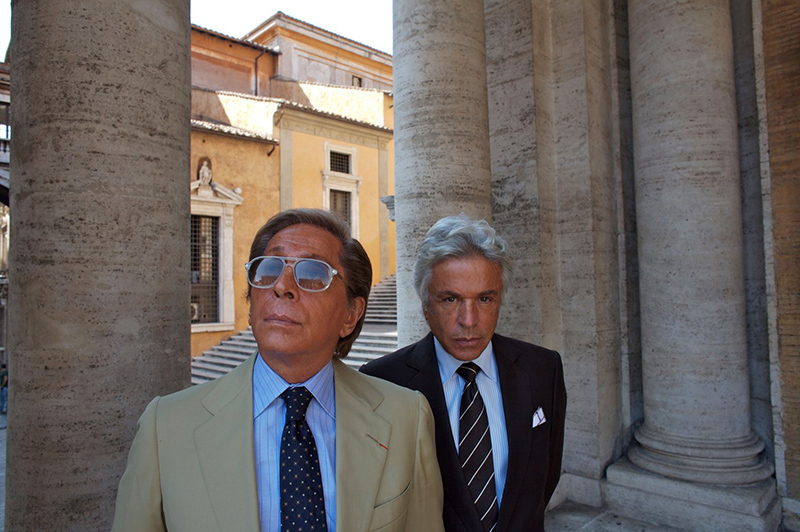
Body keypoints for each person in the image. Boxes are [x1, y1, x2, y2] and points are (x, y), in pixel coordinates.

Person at [113, 208, 445, 532]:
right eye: (269, 269)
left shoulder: (406, 418)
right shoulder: (166, 427)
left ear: (350, 314)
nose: (282, 285)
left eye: (312, 273)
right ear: (251, 300)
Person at [362, 214, 566, 532]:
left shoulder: (543, 369)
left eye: (485, 299)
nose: (469, 320)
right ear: (425, 304)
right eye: (450, 299)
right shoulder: (381, 381)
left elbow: (545, 478)